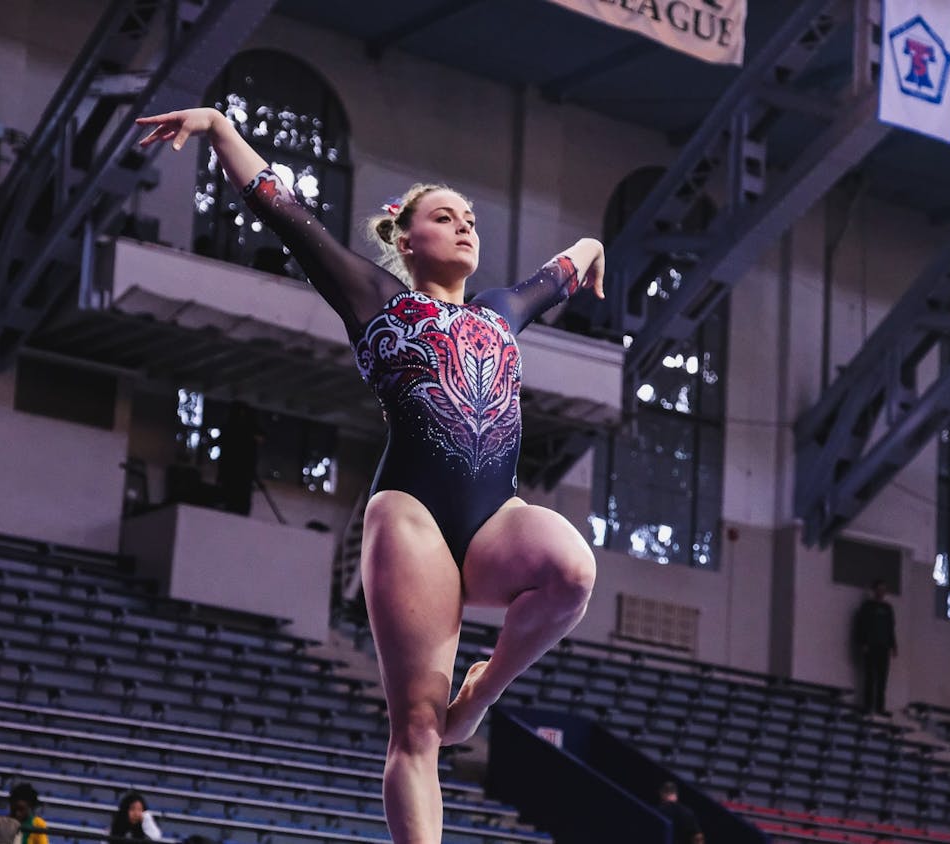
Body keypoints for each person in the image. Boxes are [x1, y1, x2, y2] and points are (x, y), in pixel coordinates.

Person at [135, 107, 602, 844]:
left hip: (494, 519)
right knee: (416, 726)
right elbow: (283, 209)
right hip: (412, 516)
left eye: (470, 219)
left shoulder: (501, 311)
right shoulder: (374, 299)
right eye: (444, 218)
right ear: (405, 239)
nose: (464, 227)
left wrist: (593, 242)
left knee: (574, 571)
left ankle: (480, 694)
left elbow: (560, 275)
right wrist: (222, 128)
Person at [853, 578, 899, 715]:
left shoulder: (888, 608)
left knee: (882, 679)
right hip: (871, 646)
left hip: (883, 647)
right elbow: (860, 626)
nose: (881, 592)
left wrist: (893, 645)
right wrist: (863, 643)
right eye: (879, 589)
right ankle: (868, 706)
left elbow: (891, 628)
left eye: (883, 590)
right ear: (874, 591)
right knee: (870, 677)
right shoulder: (867, 606)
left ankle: (880, 707)